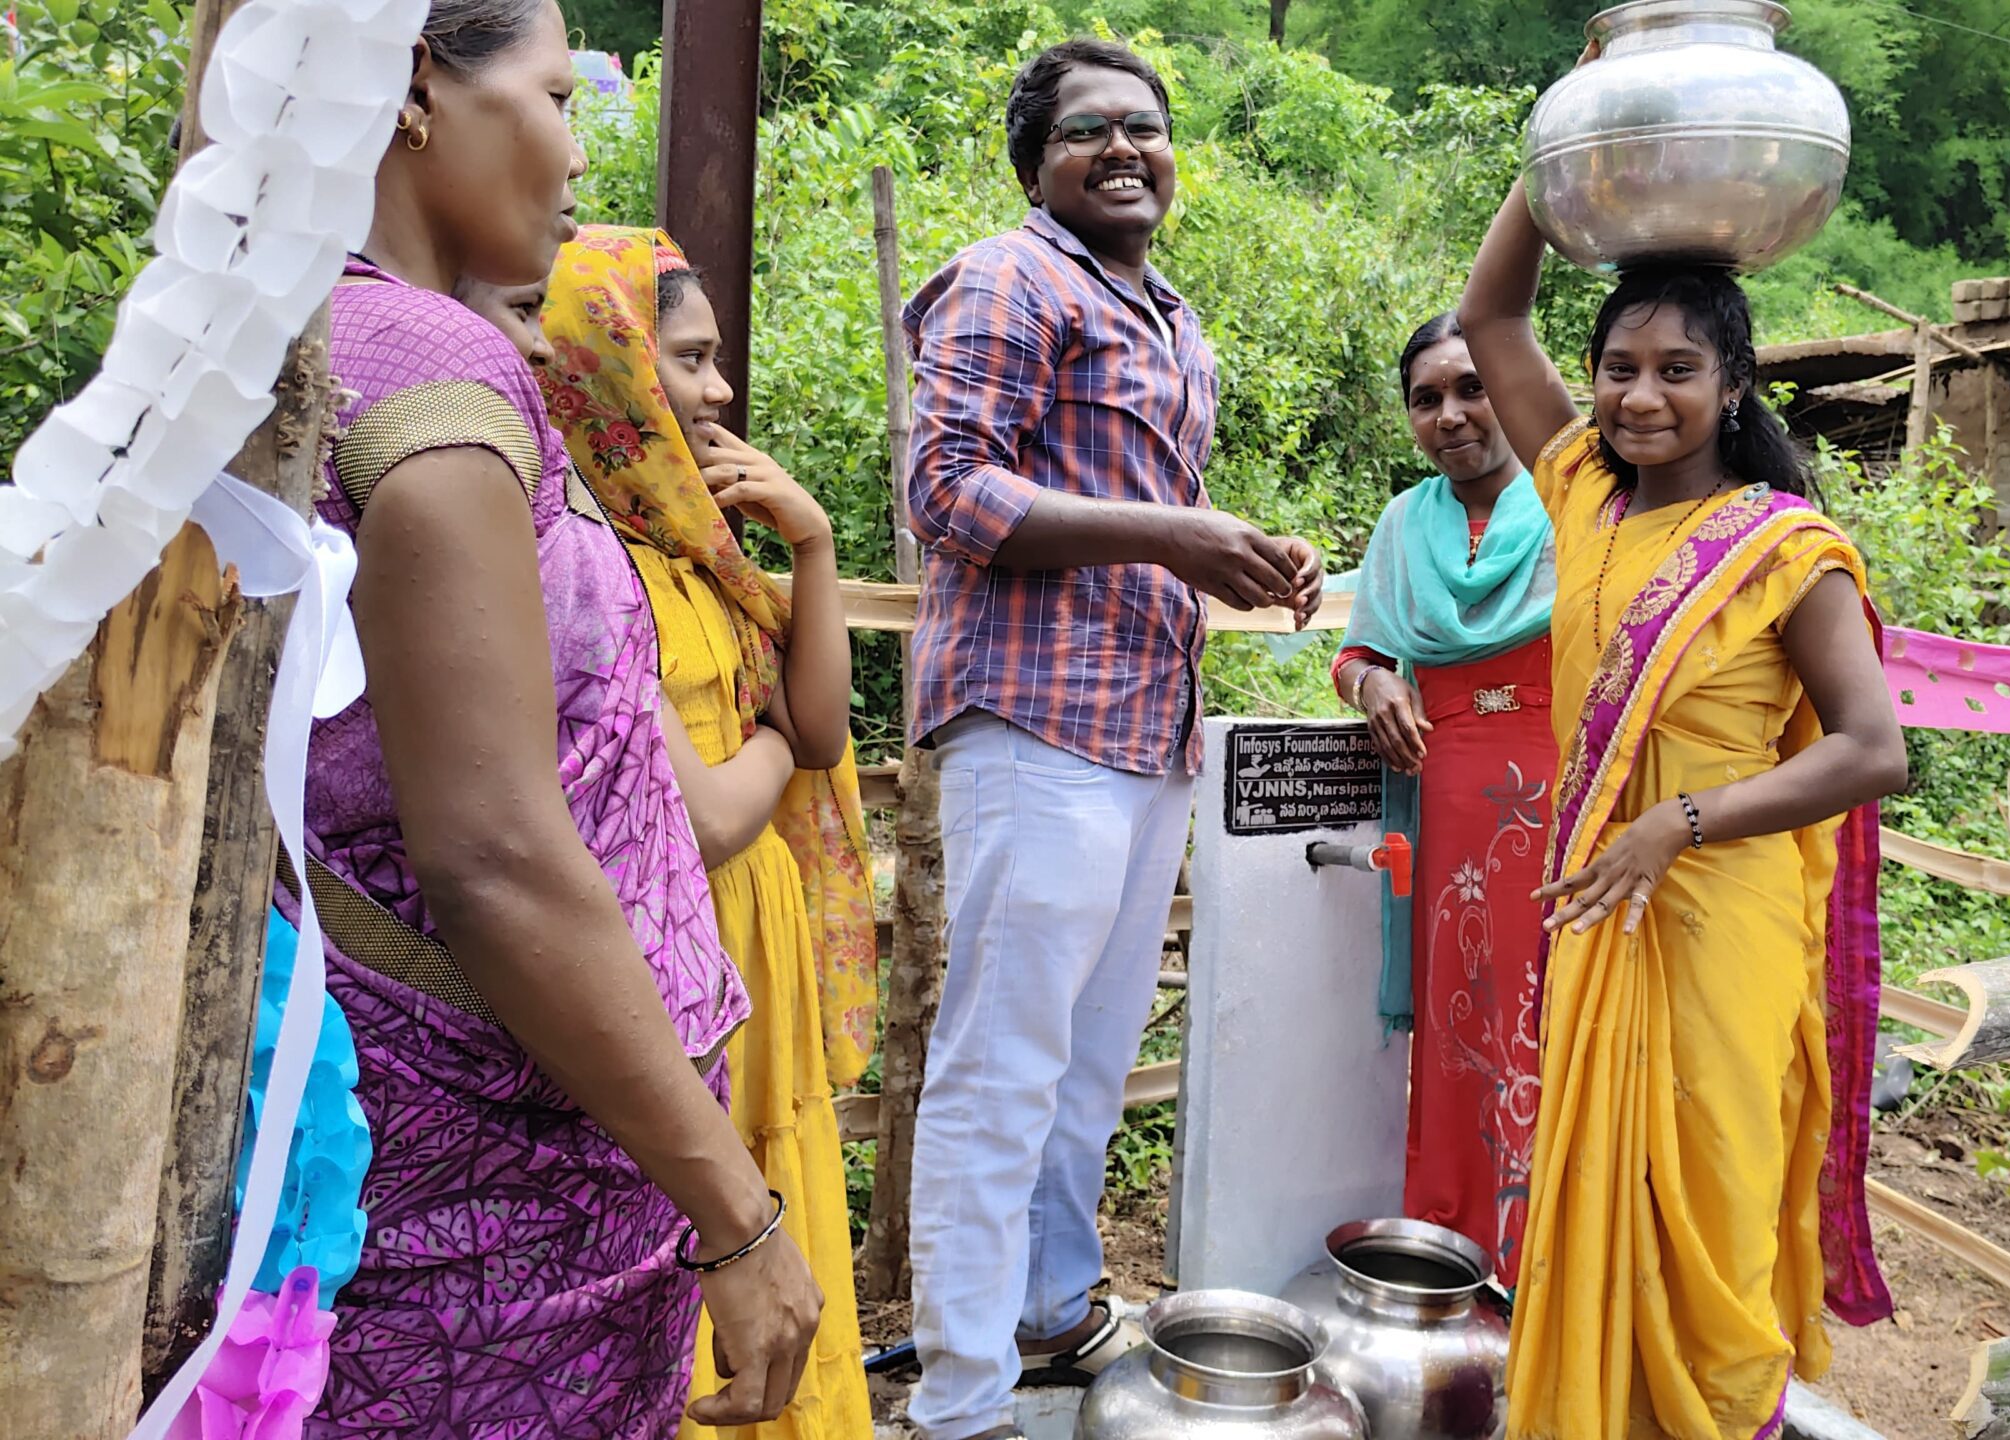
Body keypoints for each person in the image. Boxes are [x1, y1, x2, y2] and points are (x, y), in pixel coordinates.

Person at [291, 1, 818, 1433]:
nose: (580, 155)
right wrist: (738, 1215)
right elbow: (496, 857)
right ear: (415, 88)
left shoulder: (316, 333)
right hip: (499, 1186)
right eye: (557, 96)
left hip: (474, 1140)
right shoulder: (432, 377)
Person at [898, 38, 1322, 1440]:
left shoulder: (1172, 319)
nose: (1125, 148)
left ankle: (1050, 1312)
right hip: (1035, 719)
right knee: (1002, 1066)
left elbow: (1134, 508)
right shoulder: (1008, 278)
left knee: (1084, 1066)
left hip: (1144, 729)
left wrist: (1238, 552)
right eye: (1088, 130)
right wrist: (1177, 535)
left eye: (1145, 126)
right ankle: (961, 1399)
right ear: (1038, 164)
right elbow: (946, 492)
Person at [1457, 155, 1908, 1435]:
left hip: (1718, 914)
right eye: (1618, 368)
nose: (1640, 397)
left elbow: (1871, 749)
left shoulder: (1783, 550)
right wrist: (1552, 153)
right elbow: (1490, 315)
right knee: (1596, 1195)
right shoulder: (1581, 495)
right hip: (1602, 902)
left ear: (1732, 385)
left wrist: (1679, 822)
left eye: (1677, 370)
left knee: (1707, 1200)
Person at [534, 226, 880, 1440]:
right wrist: (775, 748)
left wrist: (812, 543)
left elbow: (821, 728)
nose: (719, 389)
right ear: (611, 371)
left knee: (780, 1204)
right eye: (687, 359)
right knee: (703, 1238)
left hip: (757, 944)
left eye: (715, 358)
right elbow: (713, 817)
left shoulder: (698, 549)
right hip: (675, 956)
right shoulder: (582, 565)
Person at [1332, 311, 1555, 1286]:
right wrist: (1374, 682)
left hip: (1564, 794)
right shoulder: (1403, 524)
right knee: (1460, 1025)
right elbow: (1356, 651)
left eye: (1473, 388)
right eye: (1427, 399)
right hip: (1450, 803)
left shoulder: (1578, 502)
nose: (1451, 415)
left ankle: (1550, 1257)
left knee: (1553, 1017)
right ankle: (1459, 1243)